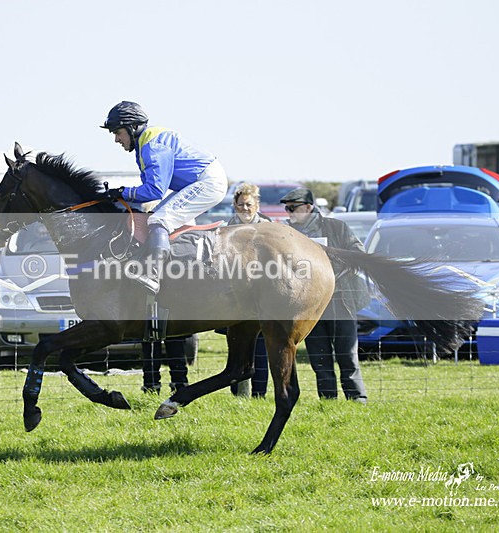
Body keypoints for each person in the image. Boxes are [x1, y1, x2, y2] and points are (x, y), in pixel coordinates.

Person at [99, 101, 228, 294]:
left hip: (208, 182)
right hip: (196, 182)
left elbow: (154, 191)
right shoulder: (144, 143)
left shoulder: (152, 145)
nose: (117, 139)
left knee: (159, 220)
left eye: (118, 132)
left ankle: (153, 274)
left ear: (133, 127)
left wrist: (122, 192)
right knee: (153, 218)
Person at [281, 187, 368, 403]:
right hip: (308, 305)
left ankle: (357, 399)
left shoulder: (336, 227)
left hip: (339, 299)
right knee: (319, 358)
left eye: (293, 208)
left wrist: (331, 269)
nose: (289, 212)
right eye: (287, 208)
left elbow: (358, 254)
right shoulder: (286, 235)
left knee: (347, 355)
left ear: (309, 207)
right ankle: (328, 402)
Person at [226, 183, 271, 398]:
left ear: (257, 205)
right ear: (234, 205)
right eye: (241, 204)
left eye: (249, 204)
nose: (245, 208)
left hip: (262, 296)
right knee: (237, 344)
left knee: (261, 348)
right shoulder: (226, 228)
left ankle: (259, 394)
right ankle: (238, 395)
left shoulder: (268, 227)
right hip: (235, 297)